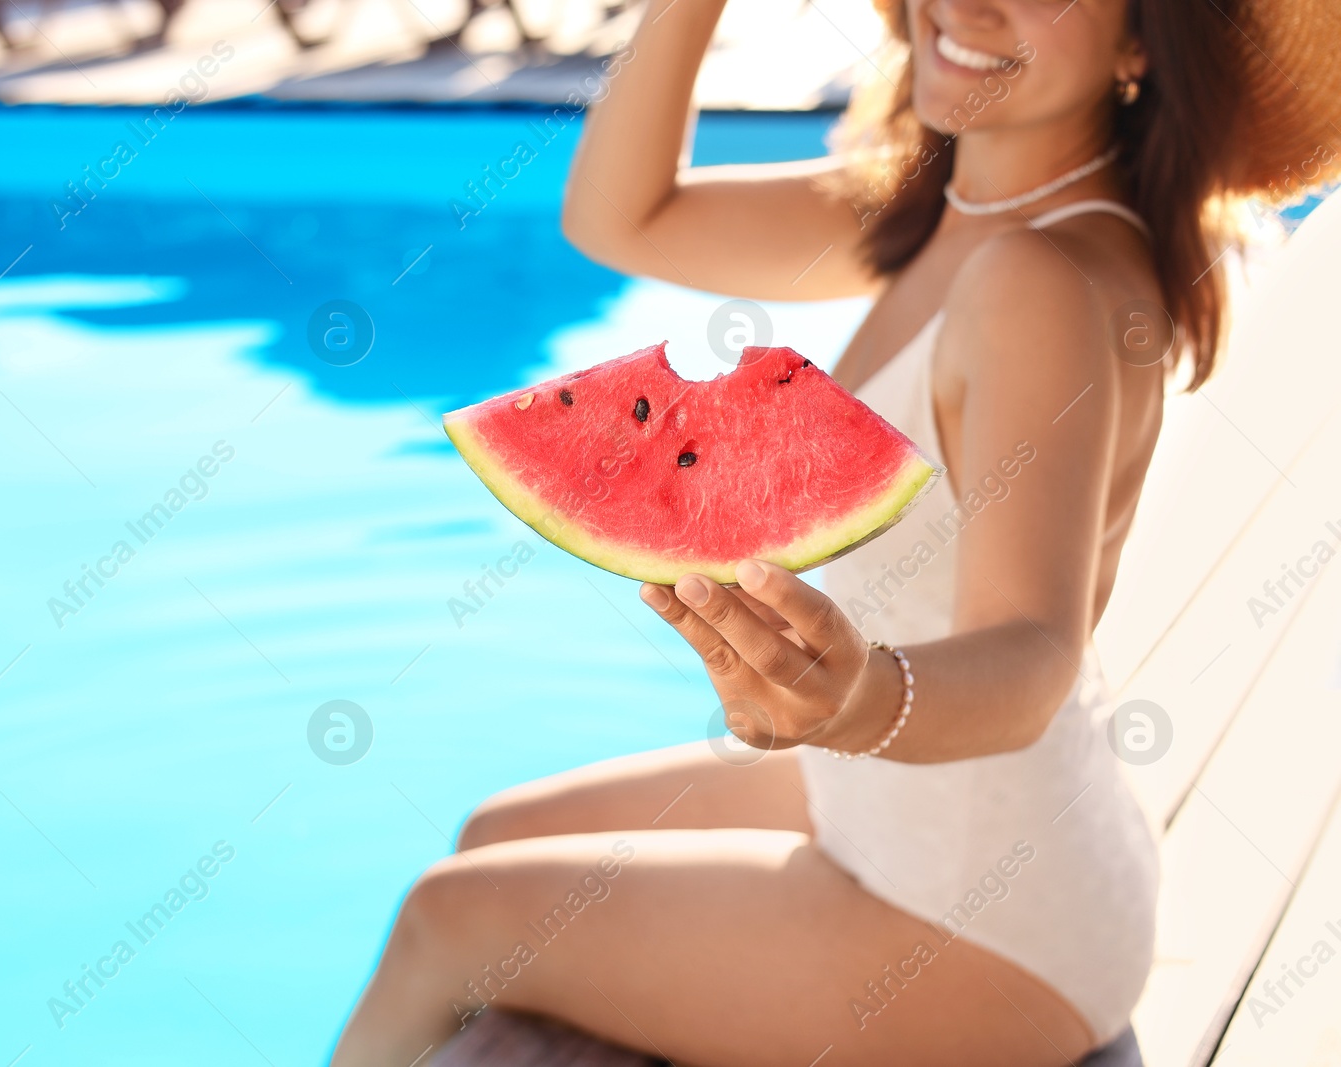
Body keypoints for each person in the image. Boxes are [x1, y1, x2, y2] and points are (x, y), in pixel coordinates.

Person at [332, 0, 1341, 1063]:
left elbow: (1034, 650)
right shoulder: (945, 207)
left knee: (447, 921)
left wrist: (857, 693)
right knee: (497, 835)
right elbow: (618, 219)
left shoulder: (1035, 280)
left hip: (982, 913)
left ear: (1143, 39)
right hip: (902, 803)